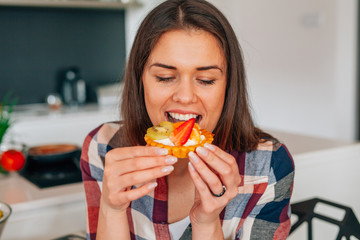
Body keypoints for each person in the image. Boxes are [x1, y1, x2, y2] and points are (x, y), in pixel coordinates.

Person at [80, 0, 295, 239]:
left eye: (205, 80)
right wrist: (112, 209)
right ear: (140, 80)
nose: (184, 97)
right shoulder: (103, 147)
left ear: (228, 86)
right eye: (164, 77)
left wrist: (206, 223)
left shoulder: (269, 166)